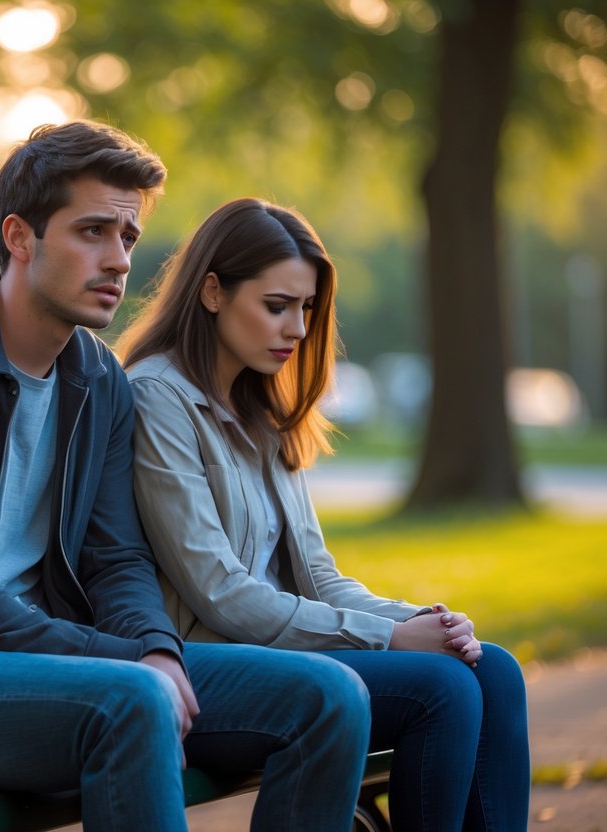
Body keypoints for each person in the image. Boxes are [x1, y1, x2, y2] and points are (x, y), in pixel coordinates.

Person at [0, 124, 374, 832]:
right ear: (19, 237)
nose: (118, 260)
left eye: (128, 238)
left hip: (53, 669)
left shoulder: (95, 377)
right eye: (93, 232)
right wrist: (129, 661)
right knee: (130, 701)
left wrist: (156, 648)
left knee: (328, 698)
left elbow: (115, 557)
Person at [119, 197, 531, 832]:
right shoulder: (158, 398)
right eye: (277, 306)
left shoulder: (261, 409)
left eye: (305, 309)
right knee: (439, 690)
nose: (298, 330)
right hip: (198, 665)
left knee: (491, 669)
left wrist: (428, 623)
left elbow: (317, 574)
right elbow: (221, 593)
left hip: (277, 653)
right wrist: (389, 638)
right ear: (211, 292)